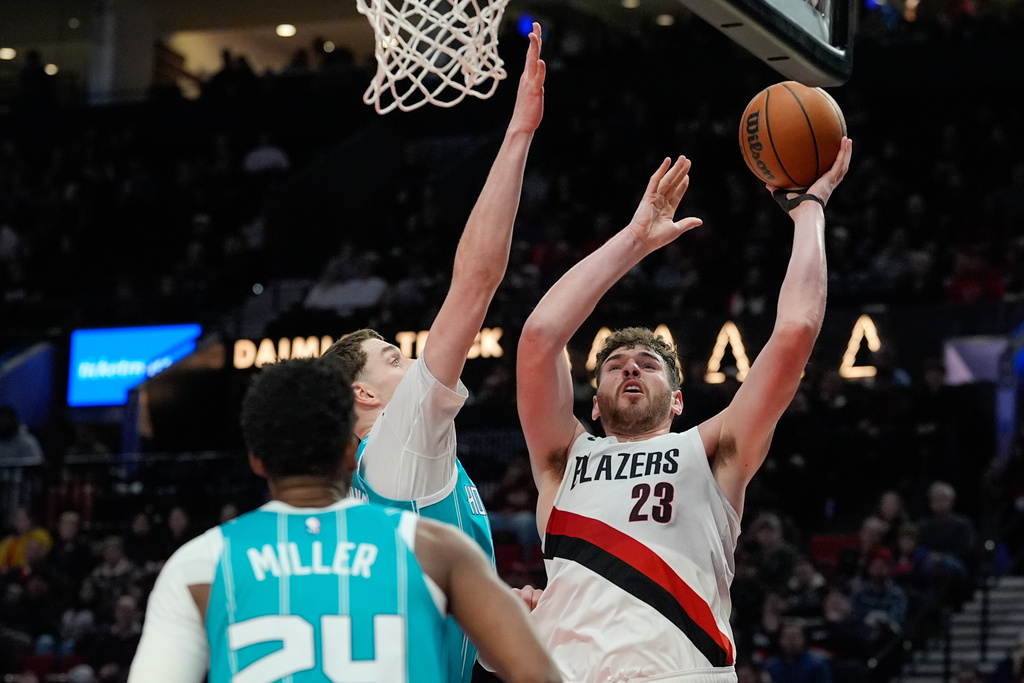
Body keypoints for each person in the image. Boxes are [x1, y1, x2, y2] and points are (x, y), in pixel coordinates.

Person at [516, 139, 853, 680]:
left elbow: (795, 332)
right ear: (595, 407)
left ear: (678, 401)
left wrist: (809, 209)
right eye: (614, 365)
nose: (629, 369)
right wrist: (633, 241)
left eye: (647, 365)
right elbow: (539, 338)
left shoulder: (711, 450)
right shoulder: (563, 458)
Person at [318, 23, 546, 683]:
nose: (409, 362)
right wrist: (518, 135)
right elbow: (475, 282)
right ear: (364, 395)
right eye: (391, 358)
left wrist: (502, 615)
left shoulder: (383, 481)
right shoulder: (399, 445)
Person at [127, 358, 560, 683]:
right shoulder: (435, 549)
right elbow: (537, 675)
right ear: (351, 453)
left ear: (256, 462)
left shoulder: (199, 564)